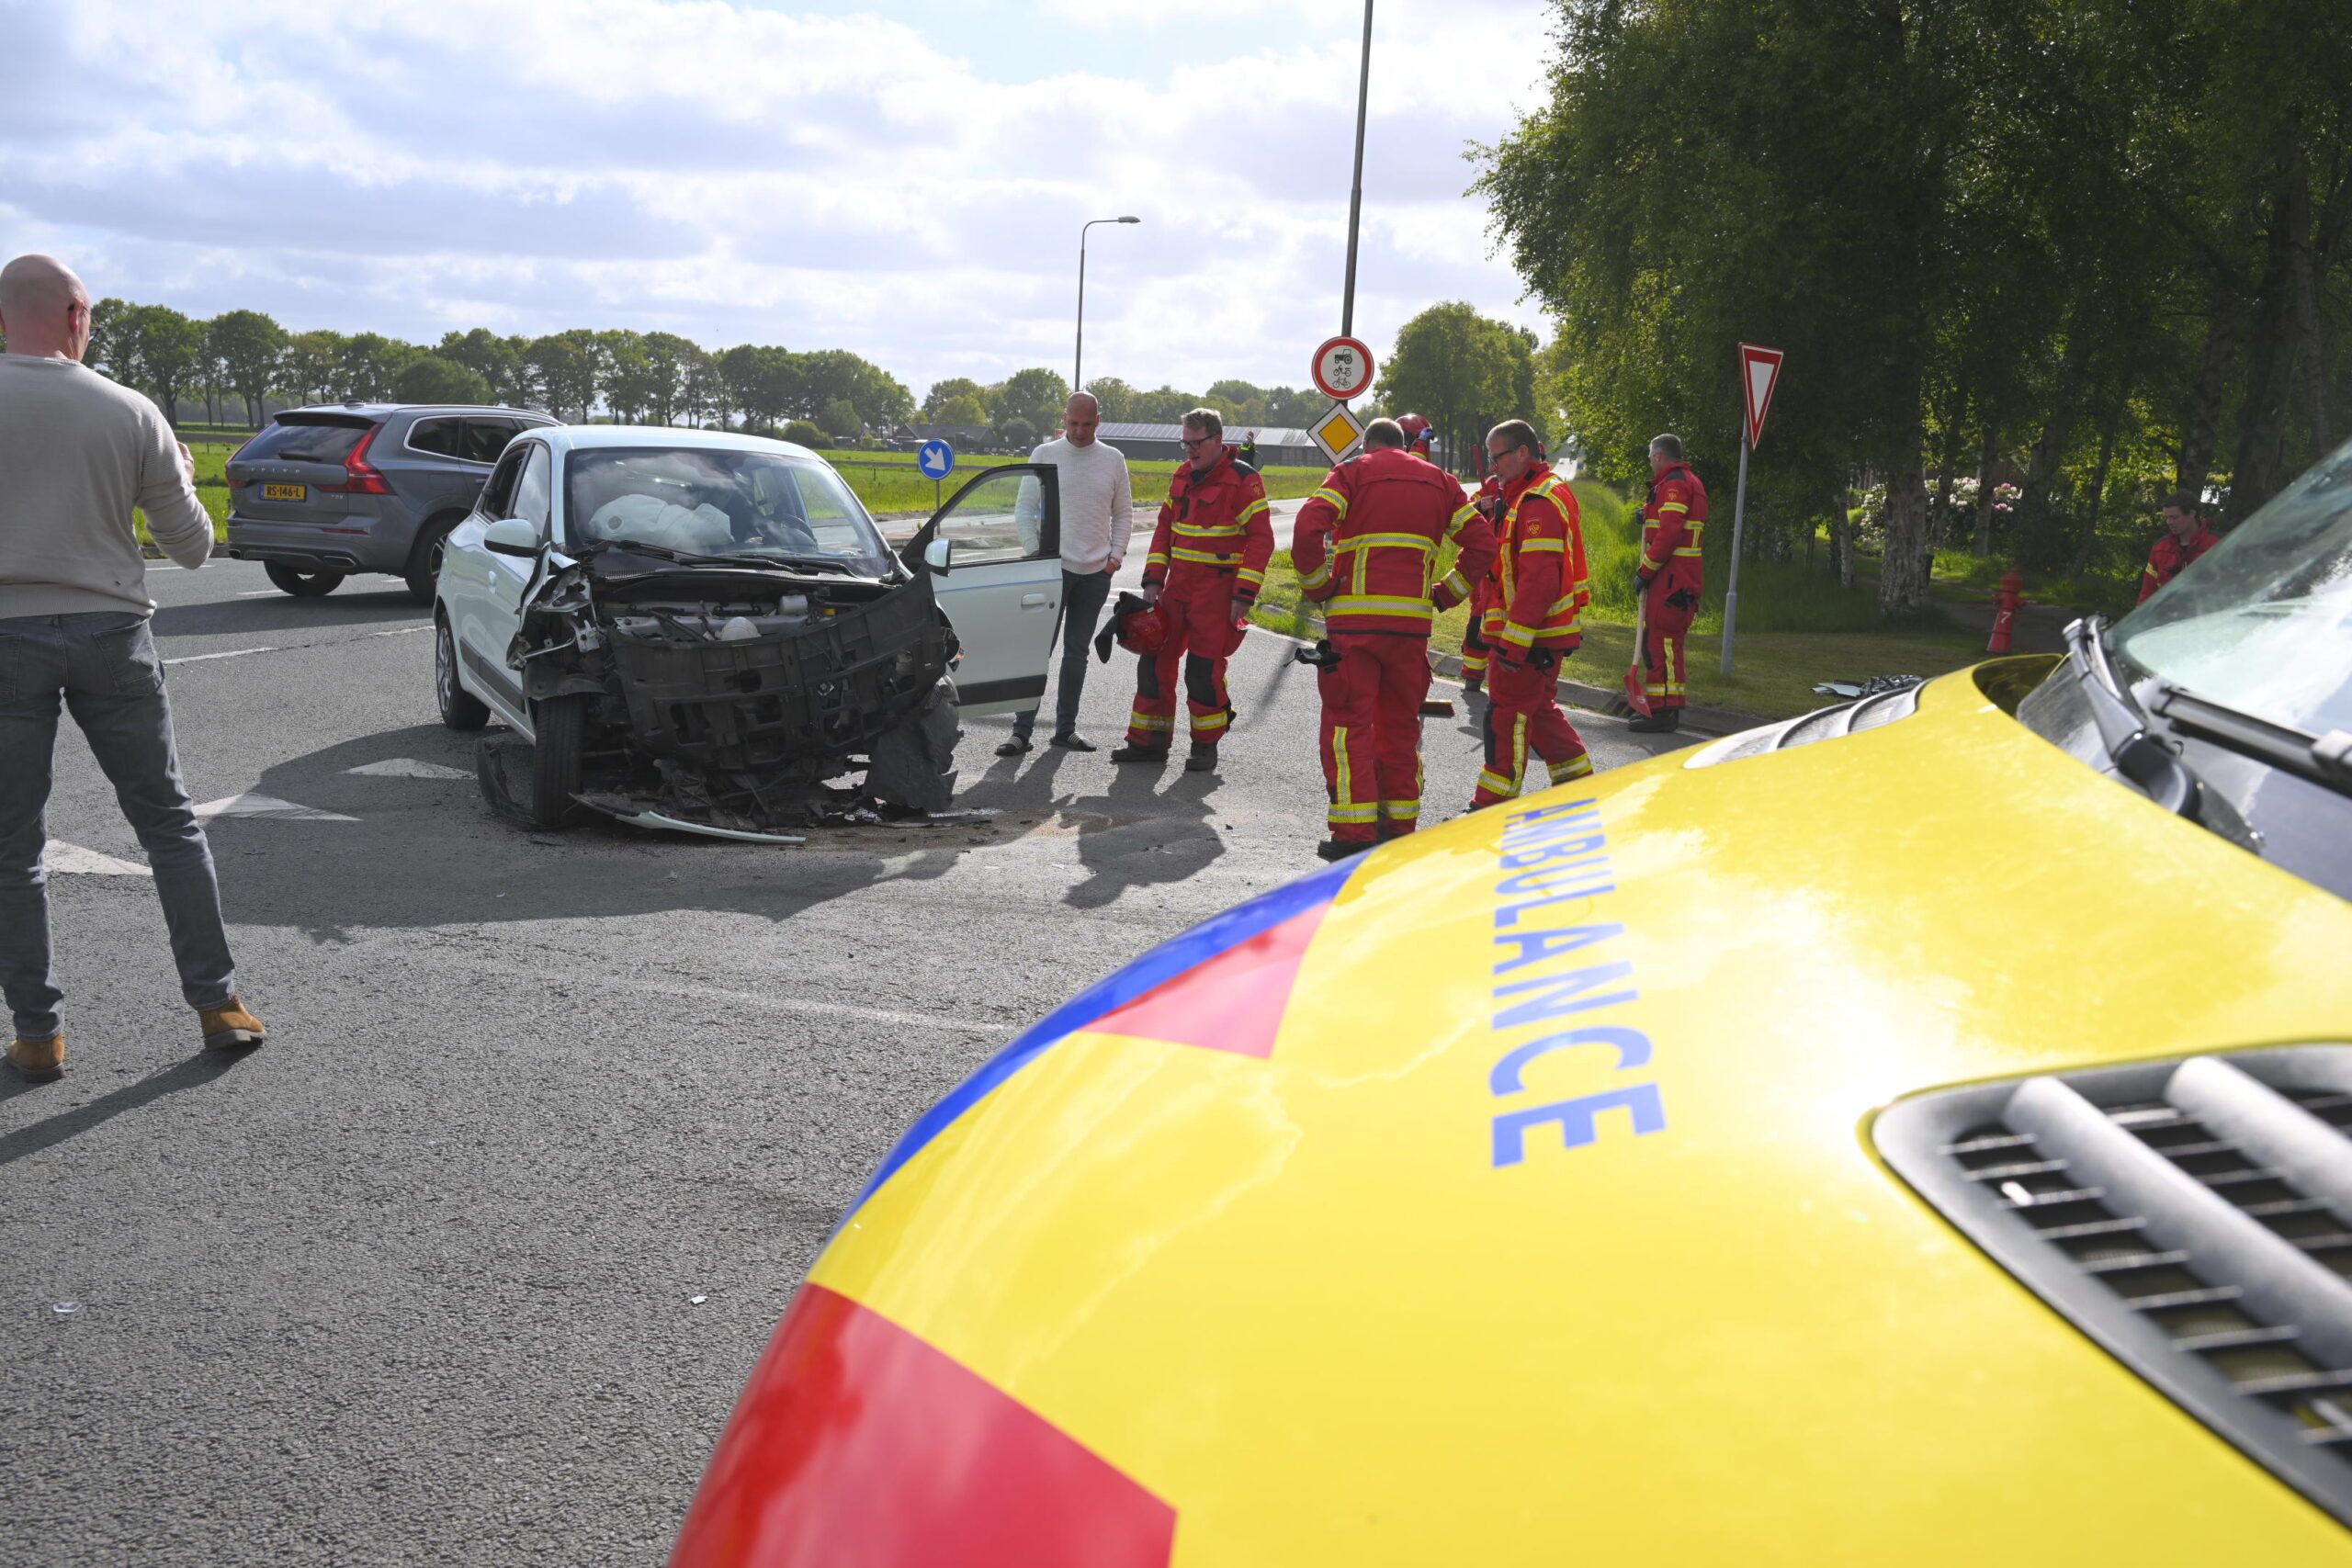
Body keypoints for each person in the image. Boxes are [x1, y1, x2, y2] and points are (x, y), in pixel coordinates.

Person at [0, 254, 266, 1083]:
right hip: (112, 633)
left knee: (12, 848)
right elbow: (193, 550)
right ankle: (218, 1002)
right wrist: (181, 472)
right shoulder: (130, 410)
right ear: (79, 315)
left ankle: (39, 1034)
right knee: (169, 824)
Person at [1292, 418, 1498, 860]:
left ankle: (1353, 833)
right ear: (1404, 446)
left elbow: (1308, 525)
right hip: (1410, 630)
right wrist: (1445, 594)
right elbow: (1483, 544)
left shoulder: (1352, 473)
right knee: (1401, 730)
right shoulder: (1441, 483)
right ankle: (1399, 824)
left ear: (1367, 445)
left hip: (1354, 628)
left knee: (1349, 728)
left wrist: (1318, 587)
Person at [1112, 408, 1271, 772]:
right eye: (1185, 443)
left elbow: (1261, 541)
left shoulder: (1243, 480)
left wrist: (1243, 595)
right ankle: (1148, 742)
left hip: (1216, 594)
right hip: (1176, 590)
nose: (1189, 451)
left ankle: (1204, 746)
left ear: (1217, 440)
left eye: (1196, 443)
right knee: (1153, 664)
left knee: (1202, 672)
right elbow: (1164, 530)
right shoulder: (1182, 475)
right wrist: (1153, 580)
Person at [998, 392, 1134, 755]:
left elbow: (1123, 513)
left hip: (1094, 573)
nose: (1079, 431)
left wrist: (1114, 559)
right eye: (1074, 423)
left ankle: (1065, 729)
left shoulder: (1112, 459)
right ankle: (1020, 732)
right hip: (1051, 569)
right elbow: (1025, 508)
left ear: (1098, 421)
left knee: (1077, 653)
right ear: (1064, 419)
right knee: (1037, 650)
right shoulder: (1045, 455)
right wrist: (1034, 552)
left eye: (1087, 424)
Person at [1470, 420, 1594, 809]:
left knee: (1506, 719)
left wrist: (1514, 643)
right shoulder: (1529, 494)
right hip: (1539, 634)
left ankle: (1492, 806)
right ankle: (1581, 791)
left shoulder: (1538, 500)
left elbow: (1539, 579)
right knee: (1539, 713)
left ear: (1522, 452)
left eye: (1497, 457)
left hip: (1530, 637)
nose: (1493, 467)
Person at [1630, 433, 1708, 734]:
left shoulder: (1674, 484)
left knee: (1660, 642)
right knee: (1665, 643)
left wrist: (1645, 571)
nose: (1650, 462)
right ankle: (1664, 709)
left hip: (1670, 575)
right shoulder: (1688, 482)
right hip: (1681, 574)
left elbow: (1670, 533)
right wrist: (1646, 513)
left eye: (1651, 456)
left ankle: (1662, 714)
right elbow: (1667, 522)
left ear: (1660, 456)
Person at [1456, 472, 1505, 694]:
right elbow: (1463, 512)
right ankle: (1473, 674)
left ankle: (1500, 677)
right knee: (1479, 615)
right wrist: (1478, 504)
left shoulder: (1533, 490)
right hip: (1485, 562)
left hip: (1509, 565)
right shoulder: (1491, 485)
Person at [2137, 491, 2222, 604]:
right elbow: (2147, 593)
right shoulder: (2160, 549)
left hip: (2209, 616)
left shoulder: (2218, 544)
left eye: (2174, 517)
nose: (2169, 522)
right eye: (2167, 518)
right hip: (2169, 618)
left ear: (2192, 513)